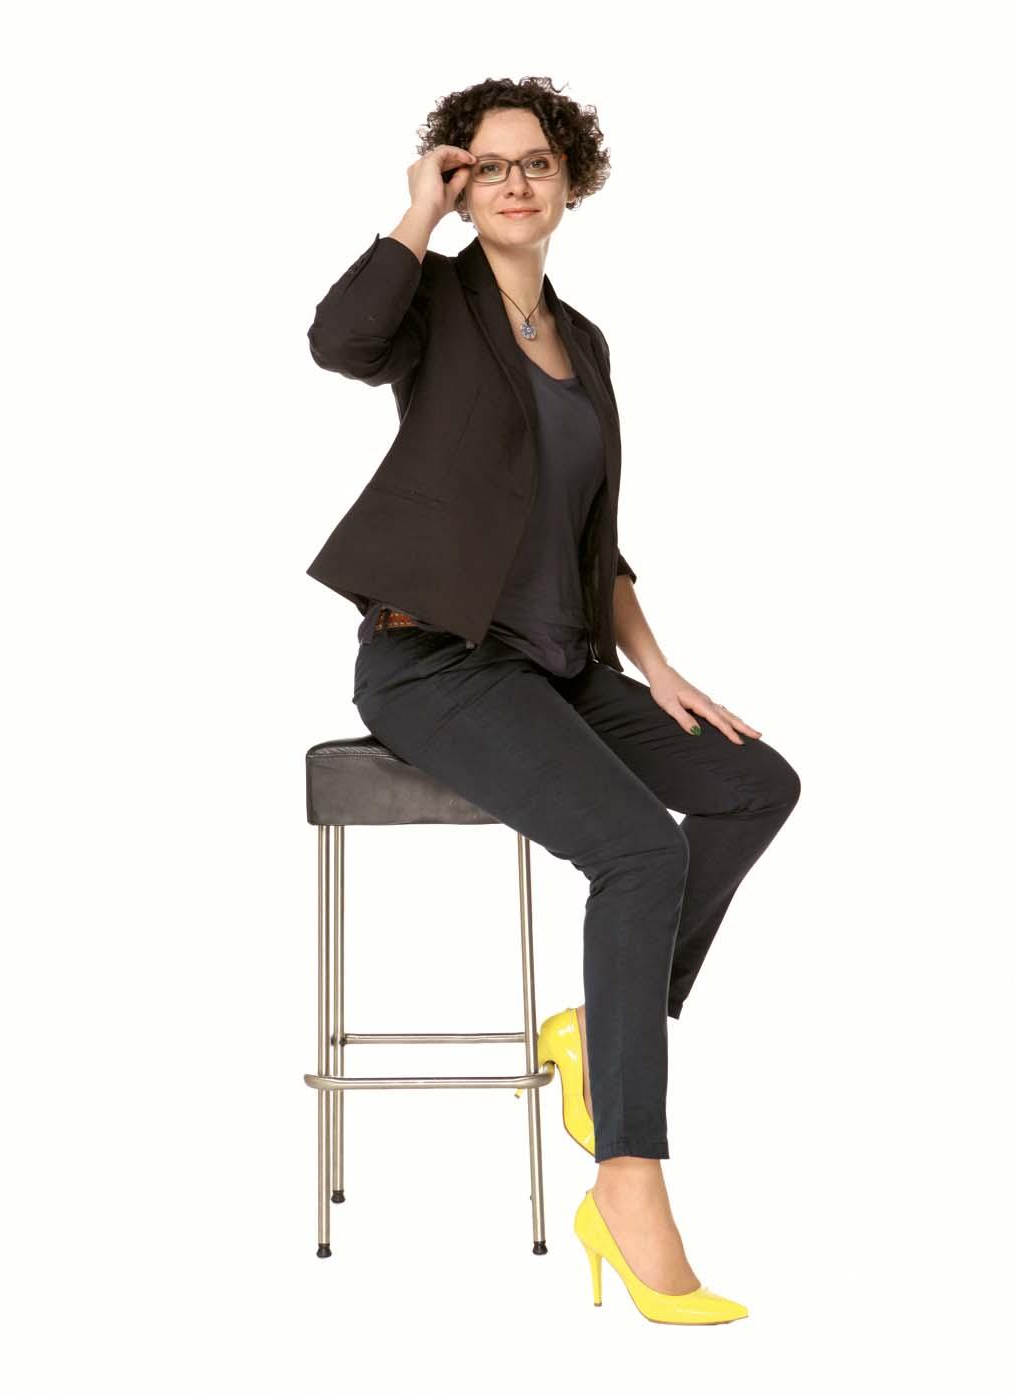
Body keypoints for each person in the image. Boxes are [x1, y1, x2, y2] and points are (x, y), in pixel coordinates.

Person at [305, 77, 800, 1324]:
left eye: (537, 162)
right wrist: (414, 215)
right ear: (461, 184)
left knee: (750, 783)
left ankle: (605, 1023)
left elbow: (595, 537)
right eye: (488, 166)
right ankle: (627, 1181)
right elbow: (339, 343)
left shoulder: (587, 342)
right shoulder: (432, 302)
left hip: (563, 662)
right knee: (637, 849)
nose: (515, 182)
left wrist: (658, 665)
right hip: (434, 661)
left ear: (571, 179)